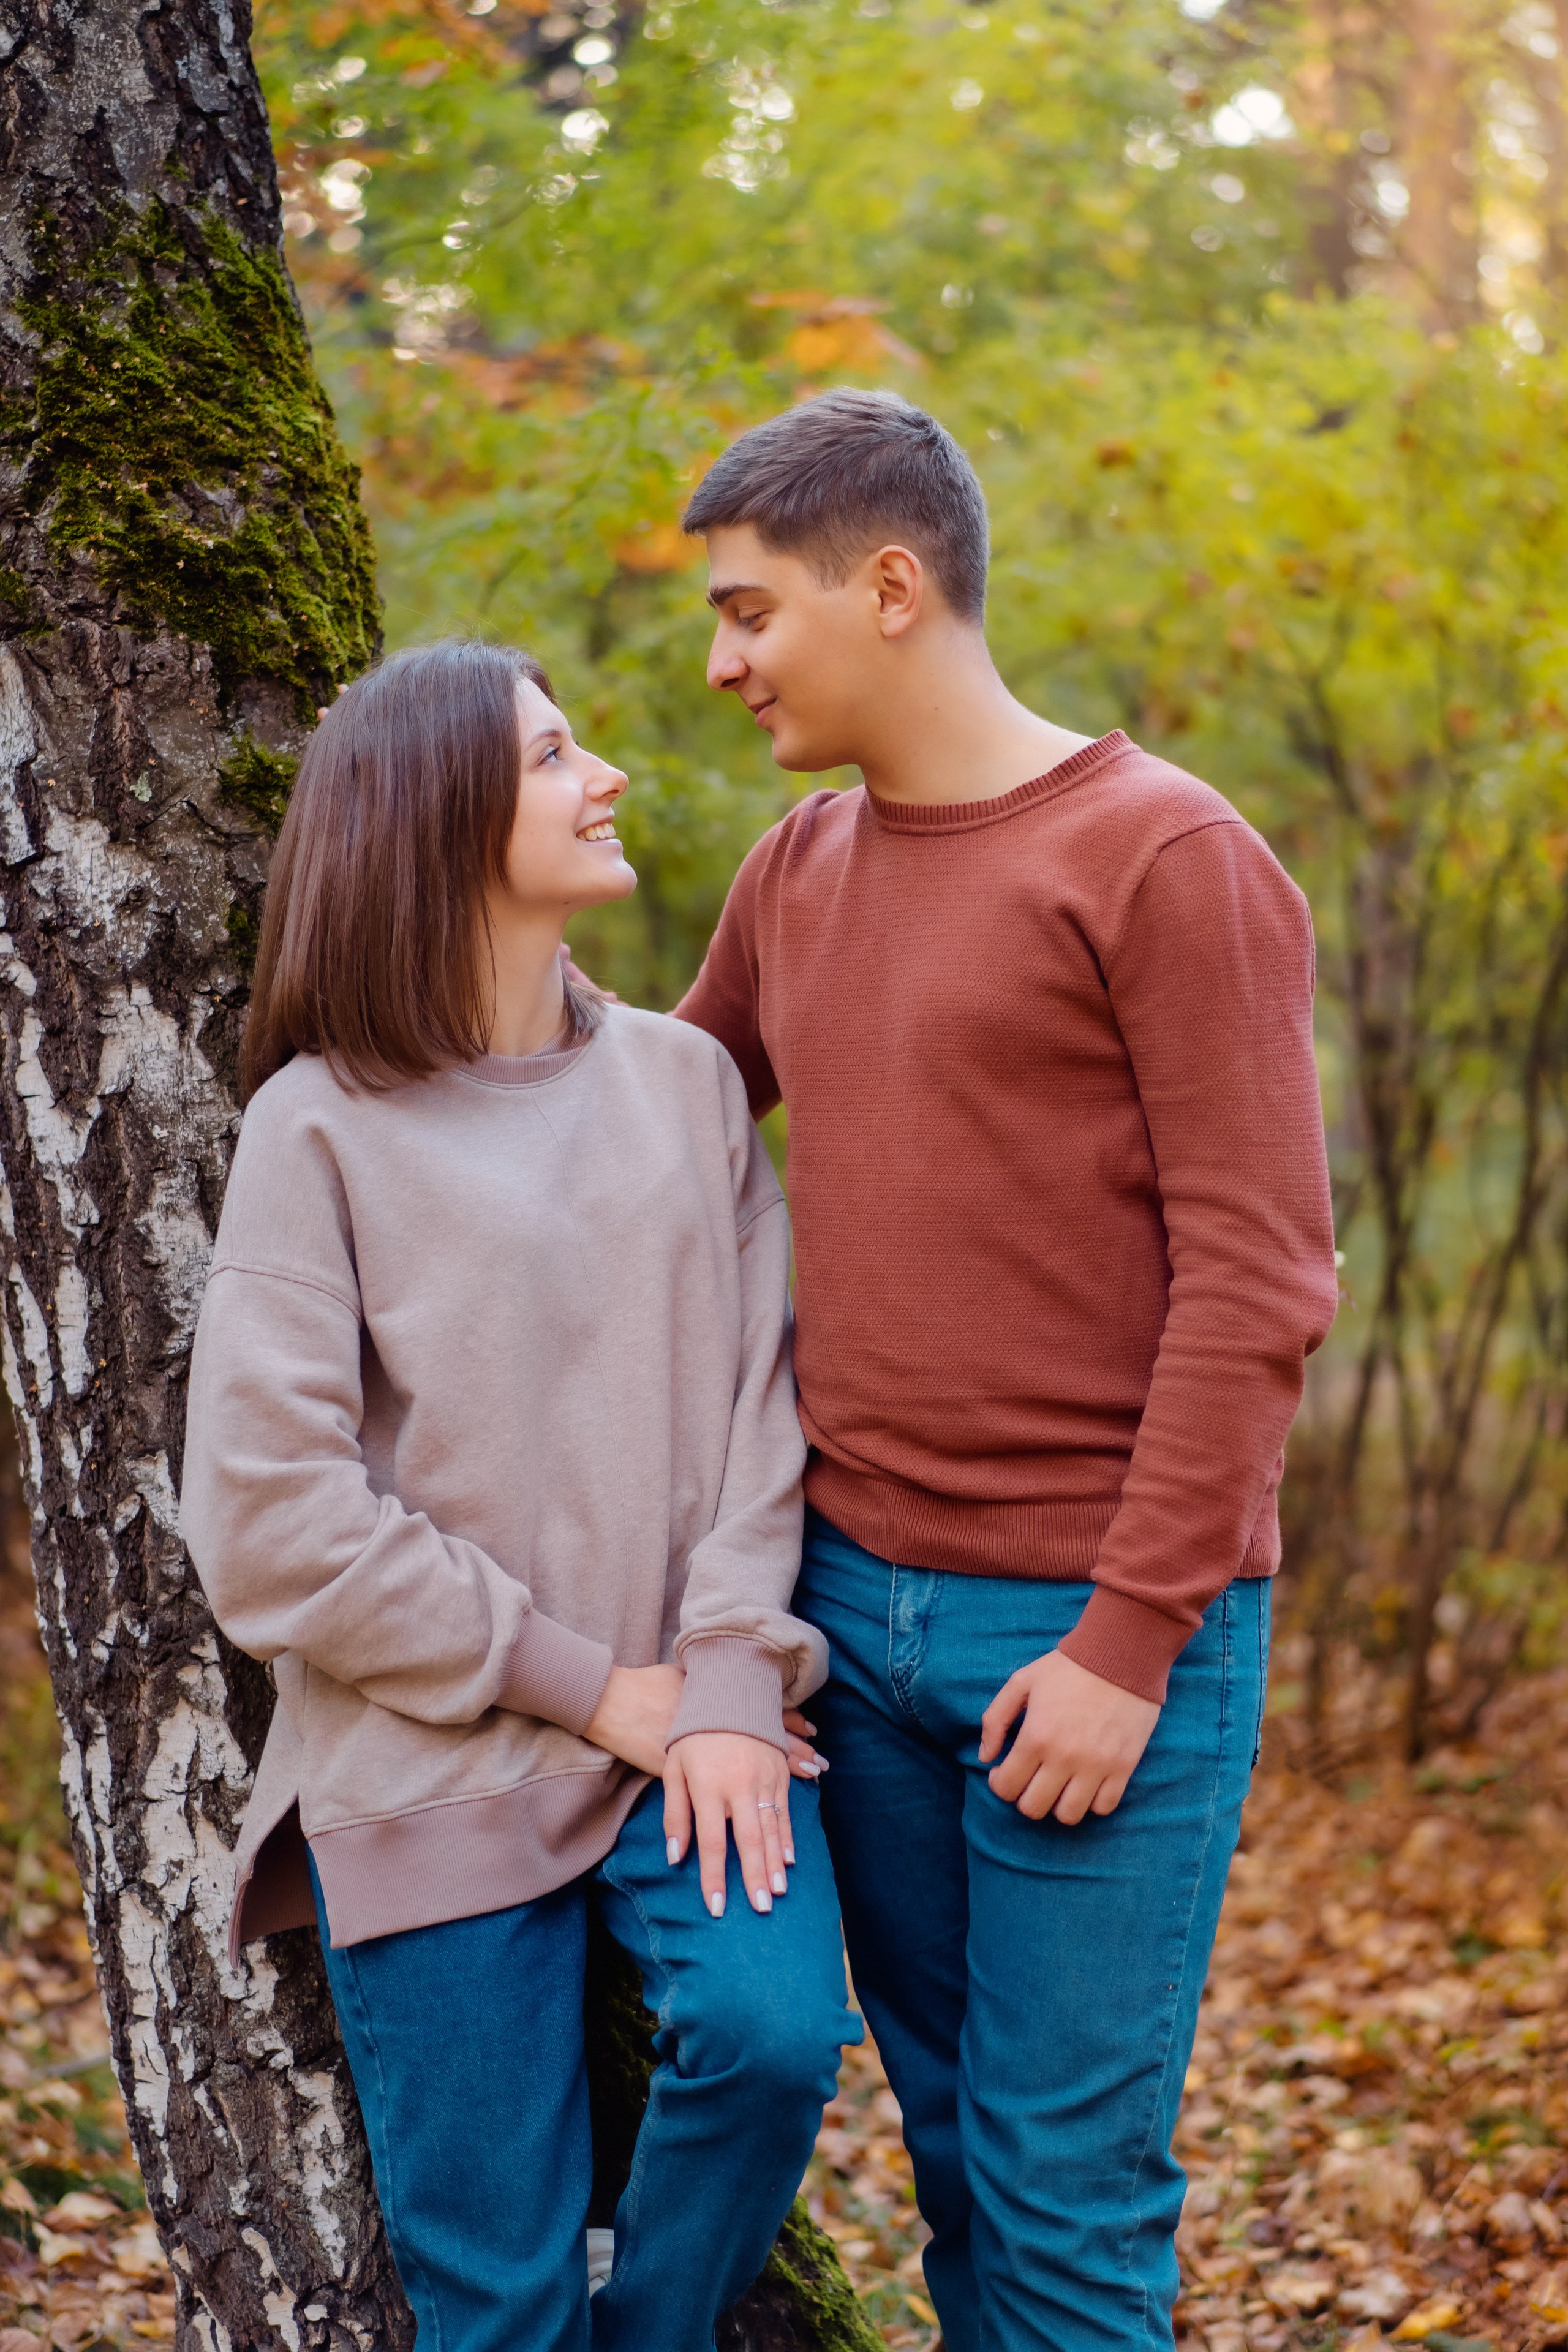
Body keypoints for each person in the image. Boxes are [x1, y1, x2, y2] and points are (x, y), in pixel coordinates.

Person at [673, 390, 1339, 2352]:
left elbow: (1260, 1278)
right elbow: (647, 1132)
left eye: (747, 613)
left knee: (1064, 2200)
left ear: (890, 588)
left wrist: (1132, 1640)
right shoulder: (796, 872)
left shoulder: (1165, 855)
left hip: (1095, 1638)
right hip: (847, 1632)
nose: (720, 663)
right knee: (961, 2160)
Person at [179, 640, 859, 2352]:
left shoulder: (687, 1085)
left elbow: (763, 1414)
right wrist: (588, 1686)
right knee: (499, 2303)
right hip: (430, 1762)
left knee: (777, 2041)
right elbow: (269, 1519)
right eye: (558, 755)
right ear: (439, 820)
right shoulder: (317, 1128)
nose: (607, 772)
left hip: (693, 1740)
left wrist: (711, 1684)